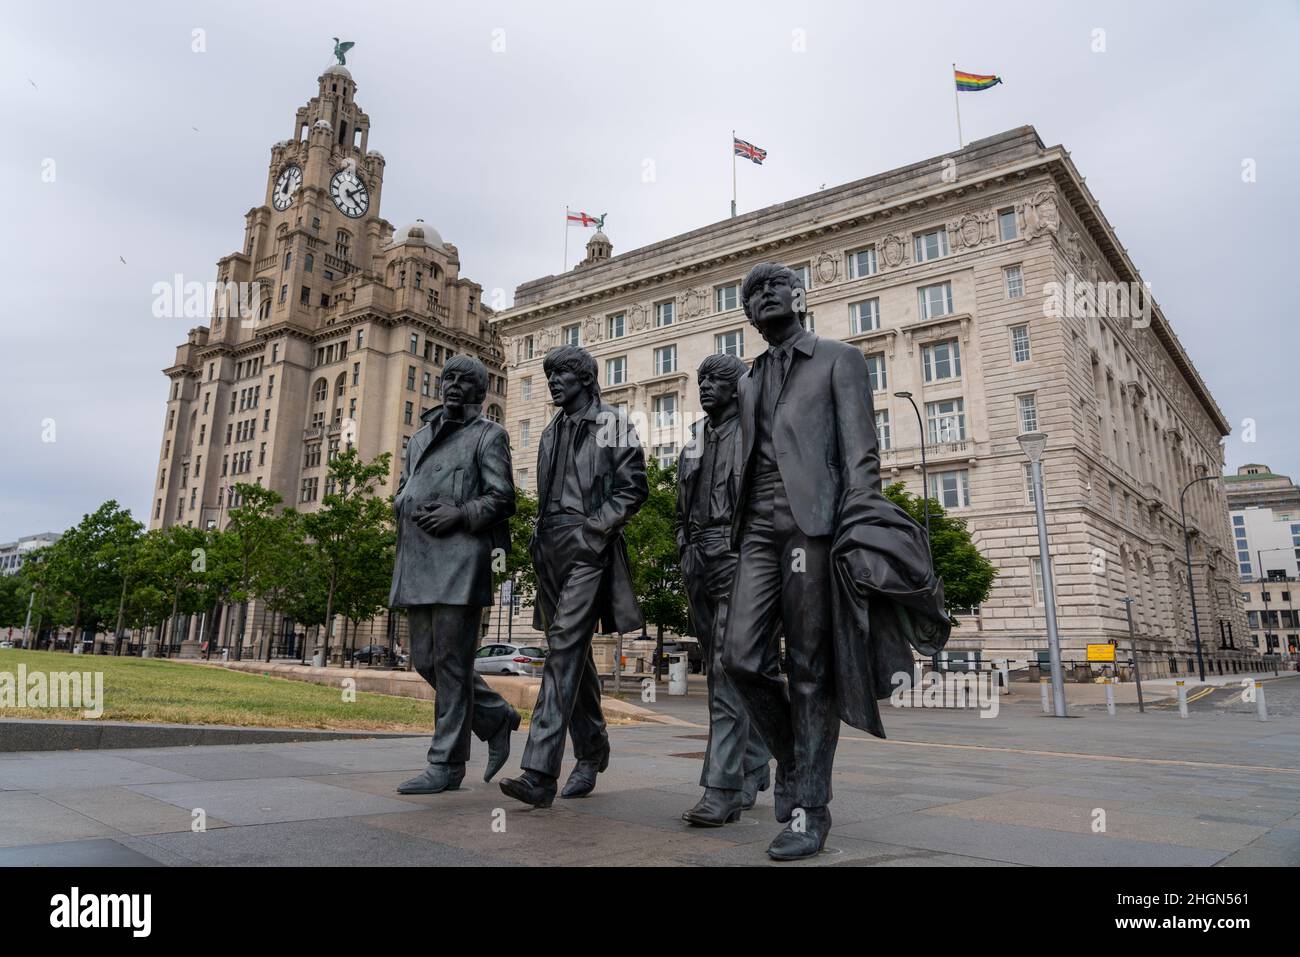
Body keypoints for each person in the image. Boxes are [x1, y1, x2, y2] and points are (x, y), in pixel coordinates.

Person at [722, 263, 950, 859]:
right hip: (757, 531)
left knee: (809, 667)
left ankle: (808, 807)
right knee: (739, 658)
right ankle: (798, 761)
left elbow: (860, 452)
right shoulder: (747, 380)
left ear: (799, 297)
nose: (764, 295)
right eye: (752, 292)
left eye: (775, 286)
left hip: (814, 525)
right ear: (745, 313)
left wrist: (859, 520)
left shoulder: (838, 359)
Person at [499, 345, 648, 808]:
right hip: (549, 550)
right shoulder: (549, 433)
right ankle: (593, 748)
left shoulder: (612, 424)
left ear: (584, 378)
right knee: (572, 655)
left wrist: (594, 530)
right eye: (549, 375)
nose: (553, 382)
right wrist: (538, 540)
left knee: (563, 646)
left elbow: (633, 488)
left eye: (561, 373)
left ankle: (539, 773)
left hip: (588, 547)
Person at [389, 355, 520, 794]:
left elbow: (502, 498)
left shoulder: (489, 436)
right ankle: (496, 716)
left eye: (466, 380)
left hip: (461, 561)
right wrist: (404, 501)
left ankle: (446, 764)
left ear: (481, 393)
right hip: (419, 559)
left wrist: (459, 513)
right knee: (426, 659)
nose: (454, 385)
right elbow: (406, 484)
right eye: (449, 377)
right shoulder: (419, 436)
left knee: (450, 662)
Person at [676, 353, 773, 826]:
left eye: (716, 379)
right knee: (731, 668)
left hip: (740, 556)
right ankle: (754, 762)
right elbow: (681, 502)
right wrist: (682, 545)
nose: (706, 386)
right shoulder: (694, 439)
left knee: (723, 669)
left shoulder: (758, 433)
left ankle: (722, 787)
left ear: (738, 387)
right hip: (698, 557)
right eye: (701, 380)